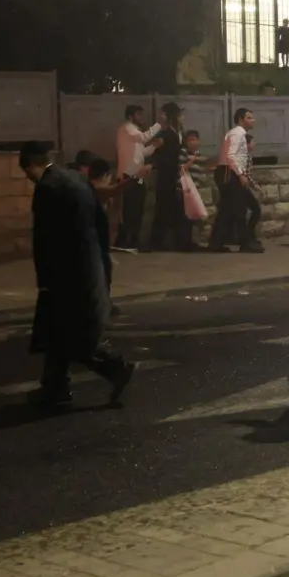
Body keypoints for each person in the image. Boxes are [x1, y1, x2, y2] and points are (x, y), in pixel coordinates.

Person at [19, 141, 136, 408]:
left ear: (29, 167)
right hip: (89, 264)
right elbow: (100, 221)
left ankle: (114, 367)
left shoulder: (47, 188)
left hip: (65, 272)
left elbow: (44, 239)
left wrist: (45, 280)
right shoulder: (77, 180)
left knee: (69, 330)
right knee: (60, 330)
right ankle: (55, 387)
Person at [209, 108, 263, 253]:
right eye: (249, 117)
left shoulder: (238, 134)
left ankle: (216, 243)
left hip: (227, 172)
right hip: (229, 172)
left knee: (227, 210)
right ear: (241, 119)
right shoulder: (238, 133)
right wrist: (240, 174)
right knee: (238, 209)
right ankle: (244, 243)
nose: (253, 120)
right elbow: (231, 156)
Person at [113, 104, 165, 251]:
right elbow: (143, 138)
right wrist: (159, 124)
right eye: (139, 115)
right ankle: (125, 241)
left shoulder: (133, 132)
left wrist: (155, 146)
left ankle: (132, 241)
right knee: (130, 208)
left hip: (138, 176)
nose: (141, 118)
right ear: (130, 116)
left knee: (137, 207)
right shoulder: (126, 129)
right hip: (128, 176)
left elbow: (143, 152)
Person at [146, 102, 188, 252]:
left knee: (175, 210)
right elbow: (153, 152)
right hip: (166, 177)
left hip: (176, 176)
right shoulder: (164, 134)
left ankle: (178, 241)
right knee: (163, 209)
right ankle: (156, 242)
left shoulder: (179, 133)